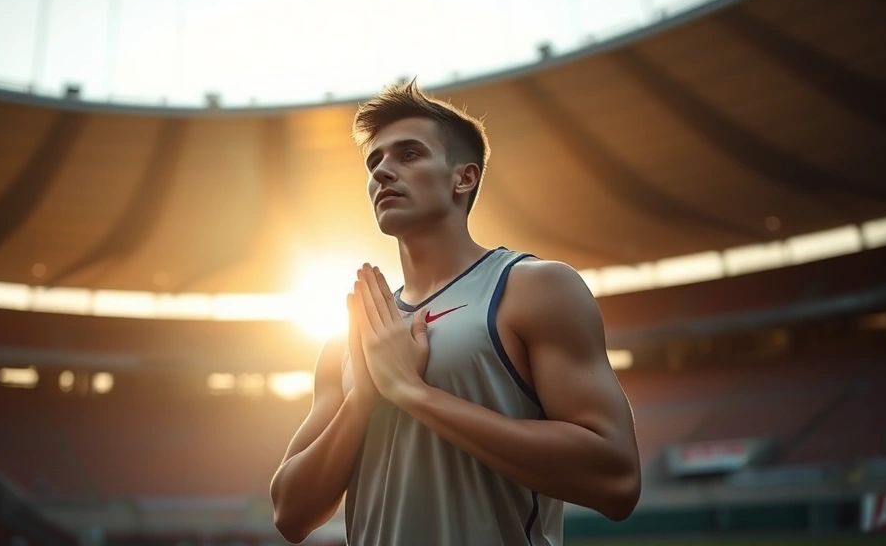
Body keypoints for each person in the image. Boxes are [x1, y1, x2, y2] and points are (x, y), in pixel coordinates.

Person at [270, 81, 641, 545]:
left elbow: (617, 481)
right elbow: (289, 513)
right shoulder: (352, 335)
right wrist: (364, 397)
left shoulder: (533, 287)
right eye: (374, 161)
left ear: (463, 178)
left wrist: (411, 392)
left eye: (408, 154)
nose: (383, 170)